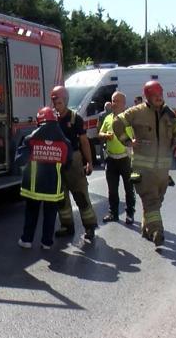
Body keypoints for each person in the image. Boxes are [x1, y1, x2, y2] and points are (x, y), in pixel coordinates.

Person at [112, 80, 176, 247]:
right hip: (143, 169)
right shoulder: (137, 112)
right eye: (155, 96)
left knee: (156, 201)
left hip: (162, 171)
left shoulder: (168, 113)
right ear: (148, 97)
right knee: (151, 200)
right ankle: (157, 231)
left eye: (160, 95)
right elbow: (117, 123)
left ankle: (146, 227)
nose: (159, 98)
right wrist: (127, 141)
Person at [16, 107, 72, 250]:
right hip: (53, 187)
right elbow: (67, 164)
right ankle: (47, 242)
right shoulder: (65, 143)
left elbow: (19, 161)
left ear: (40, 119)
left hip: (33, 186)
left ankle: (27, 240)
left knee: (31, 213)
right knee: (50, 215)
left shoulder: (30, 140)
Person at [50, 86, 98, 241]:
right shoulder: (51, 119)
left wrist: (89, 162)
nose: (56, 106)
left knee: (81, 195)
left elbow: (84, 141)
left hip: (74, 161)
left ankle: (89, 227)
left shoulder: (75, 118)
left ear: (65, 101)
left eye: (59, 103)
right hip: (57, 162)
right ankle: (67, 226)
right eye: (54, 103)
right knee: (60, 197)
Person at [99, 91, 136, 224]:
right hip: (111, 158)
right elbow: (100, 133)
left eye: (117, 101)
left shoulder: (129, 119)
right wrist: (105, 136)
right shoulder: (108, 118)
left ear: (124, 104)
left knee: (129, 188)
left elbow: (136, 137)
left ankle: (130, 213)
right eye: (112, 100)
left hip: (125, 158)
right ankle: (113, 213)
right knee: (112, 189)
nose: (113, 103)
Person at [95, 101, 113, 166]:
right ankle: (110, 160)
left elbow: (98, 125)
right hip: (111, 133)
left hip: (103, 133)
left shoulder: (101, 114)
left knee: (102, 148)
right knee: (110, 147)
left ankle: (103, 162)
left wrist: (98, 132)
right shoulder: (113, 113)